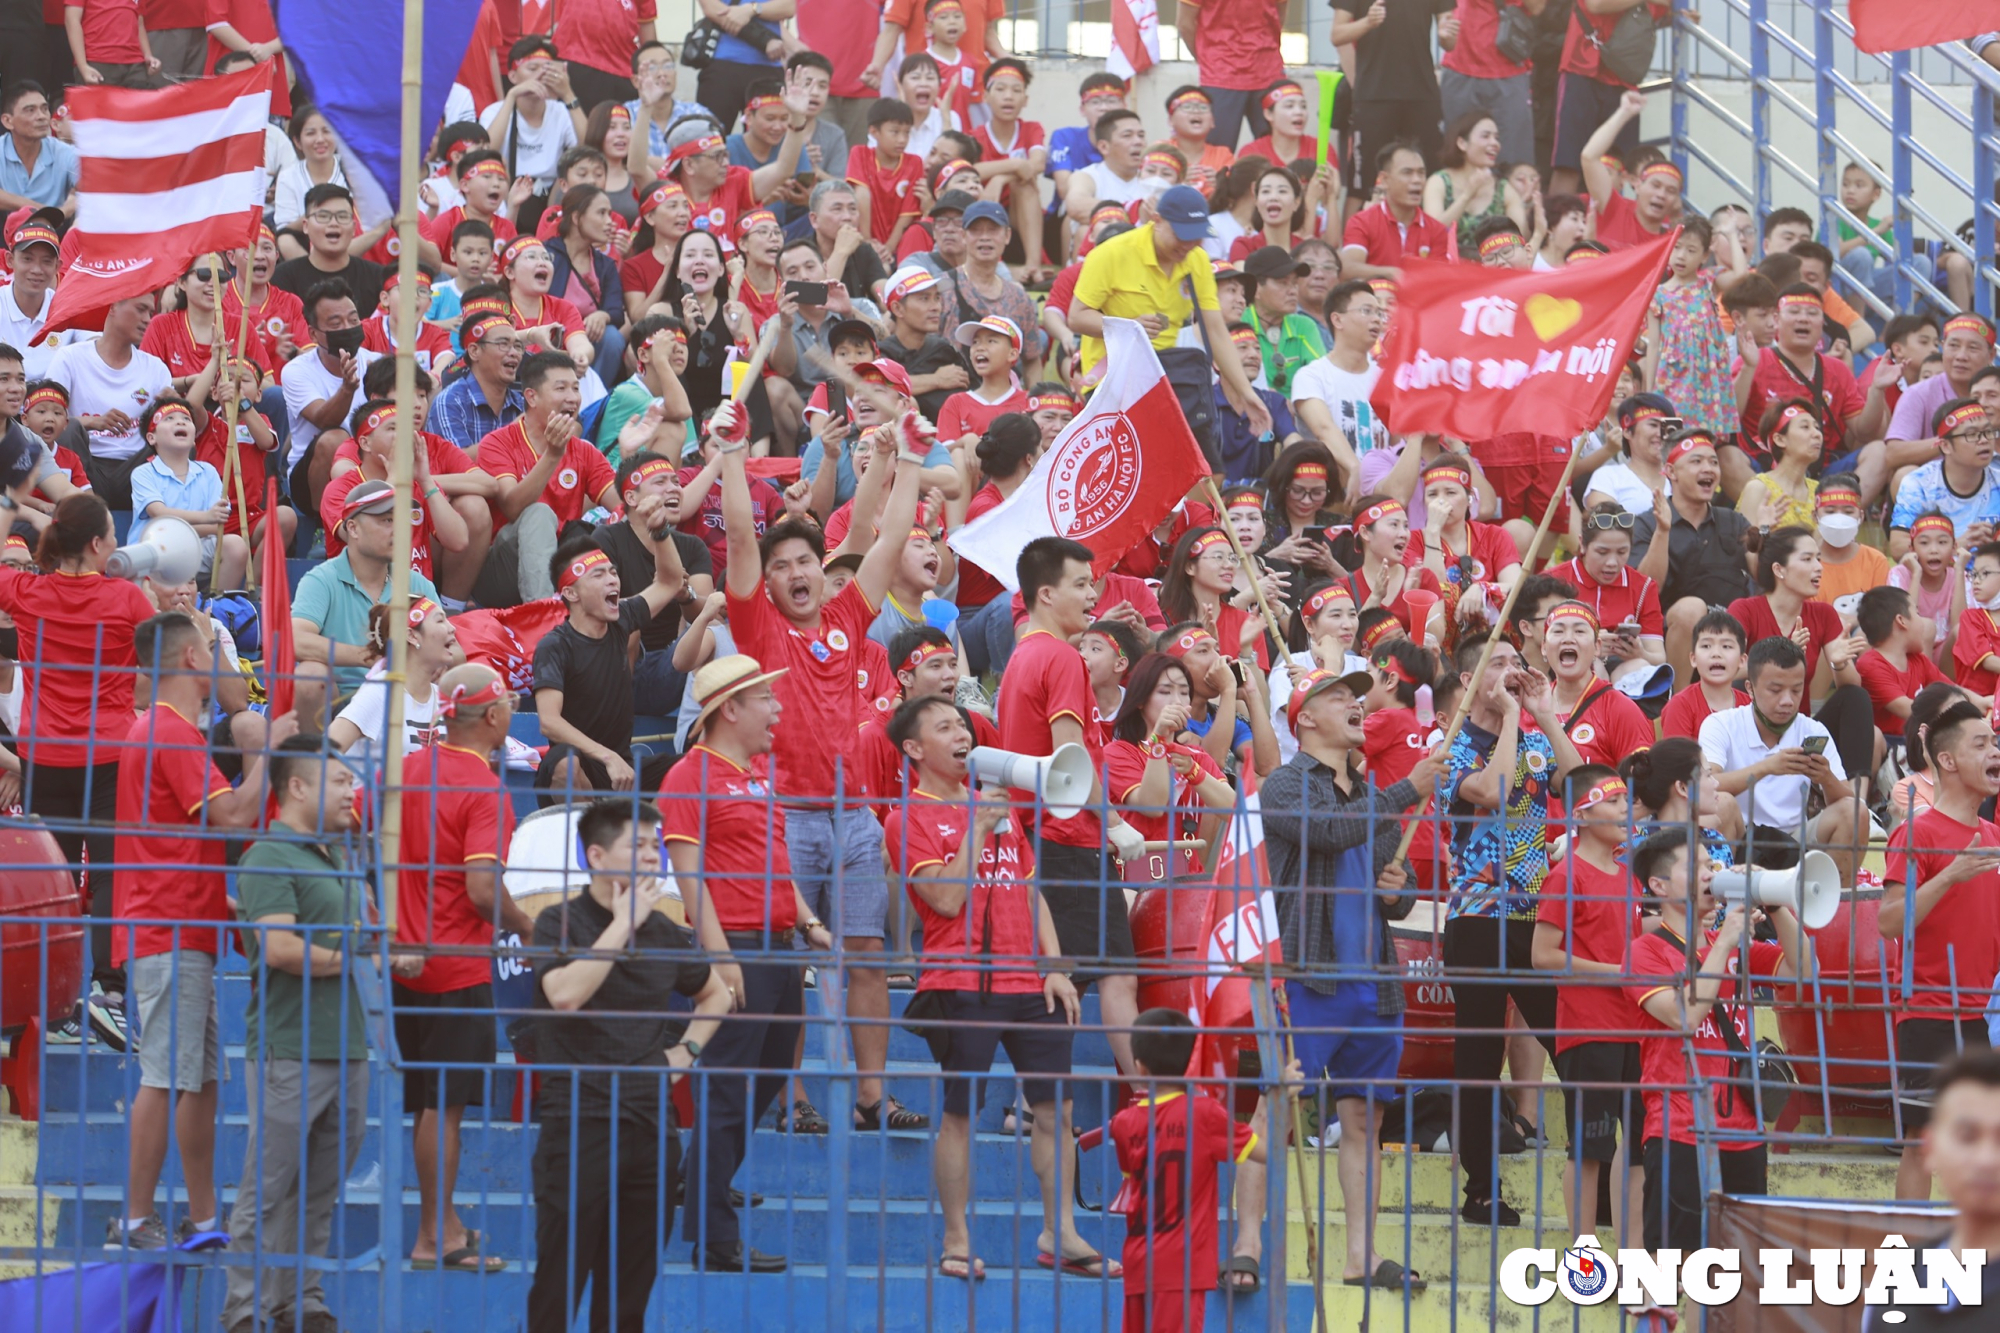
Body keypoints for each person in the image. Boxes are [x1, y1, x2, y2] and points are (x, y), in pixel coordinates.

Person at [715, 394, 930, 1129]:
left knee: (867, 955)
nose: (798, 572)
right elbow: (741, 536)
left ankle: (873, 1095)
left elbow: (887, 534)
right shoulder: (757, 624)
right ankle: (791, 1097)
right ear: (768, 583)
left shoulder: (845, 616)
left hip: (854, 822)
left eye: (808, 559)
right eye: (784, 566)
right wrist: (735, 455)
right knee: (784, 969)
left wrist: (910, 461)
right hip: (784, 820)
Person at [879, 692, 1107, 1279]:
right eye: (945, 727)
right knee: (960, 1113)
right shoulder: (906, 817)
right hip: (962, 981)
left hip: (1028, 981)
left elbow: (1030, 893)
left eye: (963, 723)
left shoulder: (994, 806)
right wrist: (976, 832)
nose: (962, 733)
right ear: (914, 748)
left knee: (1056, 1110)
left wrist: (1055, 967)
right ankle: (957, 1241)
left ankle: (1062, 1232)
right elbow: (946, 899)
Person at [111, 610, 294, 1249]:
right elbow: (235, 817)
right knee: (167, 1075)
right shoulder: (169, 732)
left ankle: (204, 1217)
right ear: (193, 660)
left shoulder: (166, 730)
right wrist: (267, 749)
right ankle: (135, 1219)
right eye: (219, 650)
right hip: (166, 928)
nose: (229, 665)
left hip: (181, 926)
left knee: (199, 1077)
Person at [1263, 665, 1441, 1288]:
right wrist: (1404, 791)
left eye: (1356, 695)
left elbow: (1401, 888)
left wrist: (1398, 891)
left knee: (1366, 1119)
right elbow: (1329, 833)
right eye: (1337, 696)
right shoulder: (1284, 784)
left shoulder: (1371, 790)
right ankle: (1243, 1247)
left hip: (1374, 979)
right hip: (1309, 976)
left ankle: (1361, 1258)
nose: (1355, 703)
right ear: (1304, 718)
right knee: (1276, 1107)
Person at [528, 798, 736, 1333]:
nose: (651, 858)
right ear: (596, 856)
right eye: (636, 847)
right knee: (561, 1276)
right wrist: (620, 926)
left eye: (655, 846)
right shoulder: (561, 920)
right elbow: (565, 994)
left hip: (649, 1120)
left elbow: (717, 996)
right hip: (578, 1120)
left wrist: (684, 1053)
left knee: (631, 1286)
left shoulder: (666, 934)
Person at [664, 653, 827, 1272]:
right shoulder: (689, 775)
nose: (777, 708)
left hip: (780, 945)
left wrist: (809, 921)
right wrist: (720, 959)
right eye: (766, 698)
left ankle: (697, 1180)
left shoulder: (761, 773)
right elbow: (689, 877)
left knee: (762, 1084)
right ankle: (715, 1235)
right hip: (736, 946)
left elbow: (775, 861)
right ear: (729, 708)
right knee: (730, 1090)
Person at [223, 734, 387, 1333]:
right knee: (265, 1189)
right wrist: (359, 955)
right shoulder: (269, 855)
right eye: (340, 781)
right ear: (297, 786)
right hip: (289, 1048)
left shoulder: (338, 857)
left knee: (318, 1191)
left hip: (346, 1046)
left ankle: (300, 1300)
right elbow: (280, 948)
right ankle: (242, 1310)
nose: (353, 790)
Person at [1438, 631, 1582, 1224]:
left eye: (1516, 663)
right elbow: (1492, 791)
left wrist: (1546, 719)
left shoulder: (1533, 739)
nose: (1512, 671)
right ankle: (1480, 1188)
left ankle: (1591, 1171)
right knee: (1478, 1055)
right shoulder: (1451, 745)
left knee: (1568, 1044)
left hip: (1532, 917)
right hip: (1475, 917)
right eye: (1498, 664)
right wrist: (1512, 718)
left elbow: (1583, 789)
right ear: (1472, 680)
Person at [1, 493, 156, 1046]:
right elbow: (163, 654)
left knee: (57, 881)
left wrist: (22, 516)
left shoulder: (25, 590)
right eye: (112, 535)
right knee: (112, 874)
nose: (117, 545)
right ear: (96, 545)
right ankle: (109, 995)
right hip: (110, 756)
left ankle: (58, 1004)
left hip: (43, 754)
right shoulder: (127, 598)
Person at [394, 662, 527, 1273]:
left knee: (428, 1103)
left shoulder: (408, 771)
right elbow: (481, 890)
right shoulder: (483, 788)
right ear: (495, 717)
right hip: (456, 965)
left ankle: (442, 1225)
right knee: (442, 1107)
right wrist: (532, 927)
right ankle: (433, 1237)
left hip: (408, 963)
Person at [999, 536, 1150, 1070]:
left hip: (1040, 836)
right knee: (1112, 974)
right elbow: (1070, 760)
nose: (1094, 595)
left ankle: (1037, 1099)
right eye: (1082, 584)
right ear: (1045, 593)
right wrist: (1111, 825)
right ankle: (1147, 1097)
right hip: (1067, 836)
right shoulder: (1062, 658)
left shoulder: (1024, 654)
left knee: (1067, 971)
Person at [1625, 827, 1803, 1260]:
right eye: (1699, 866)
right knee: (1671, 1267)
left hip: (1744, 1132)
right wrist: (1725, 939)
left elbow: (1803, 973)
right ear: (1659, 886)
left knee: (1740, 1271)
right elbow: (1685, 1016)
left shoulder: (1738, 949)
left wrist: (1776, 905)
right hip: (1680, 1130)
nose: (1712, 873)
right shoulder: (1645, 952)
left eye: (1712, 864)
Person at [1111, 1010, 1285, 1332]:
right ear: (1191, 1061)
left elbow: (1130, 1179)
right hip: (1183, 1265)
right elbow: (1267, 1153)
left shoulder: (1123, 1124)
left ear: (1139, 1066)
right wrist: (1283, 1099)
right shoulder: (1205, 1115)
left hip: (1138, 1260)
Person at [1531, 766, 1646, 1245]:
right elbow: (1542, 956)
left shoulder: (1630, 878)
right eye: (1615, 801)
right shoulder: (1566, 875)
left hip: (1639, 1032)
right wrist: (1615, 972)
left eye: (1626, 801)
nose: (1626, 809)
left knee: (1639, 1148)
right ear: (1582, 811)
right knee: (1590, 1147)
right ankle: (1585, 1254)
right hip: (1589, 1029)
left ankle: (1633, 1253)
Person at [1068, 185, 1272, 439]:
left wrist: (1246, 393)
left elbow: (1216, 330)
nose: (1188, 244)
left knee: (1205, 468)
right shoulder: (1111, 254)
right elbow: (1076, 317)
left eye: (1196, 236)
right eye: (1181, 234)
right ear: (1157, 221)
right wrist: (1129, 326)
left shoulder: (1196, 259)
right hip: (1113, 379)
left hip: (1167, 379)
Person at [532, 497, 689, 799]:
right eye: (598, 575)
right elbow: (549, 721)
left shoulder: (622, 619)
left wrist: (659, 531)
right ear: (570, 593)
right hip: (583, 769)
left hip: (623, 772)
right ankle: (587, 834)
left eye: (613, 572)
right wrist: (606, 756)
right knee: (563, 762)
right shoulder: (554, 645)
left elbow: (670, 582)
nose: (612, 580)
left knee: (699, 767)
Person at [1699, 635, 1865, 882]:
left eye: (1796, 690)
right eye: (1775, 690)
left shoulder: (1813, 730)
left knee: (1855, 811)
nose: (1787, 700)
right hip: (1741, 834)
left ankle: (1831, 904)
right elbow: (1705, 786)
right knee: (1720, 803)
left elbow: (1845, 801)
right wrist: (1767, 768)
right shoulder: (1720, 724)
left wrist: (1825, 778)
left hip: (1794, 839)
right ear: (1750, 688)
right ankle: (1721, 901)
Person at [290, 481, 443, 728]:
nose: (400, 529)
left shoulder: (417, 583)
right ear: (353, 528)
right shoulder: (322, 579)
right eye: (386, 521)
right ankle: (312, 763)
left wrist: (442, 659)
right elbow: (295, 640)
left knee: (454, 674)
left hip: (406, 698)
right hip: (343, 702)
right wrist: (372, 657)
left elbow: (455, 647)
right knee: (310, 676)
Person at [474, 351, 618, 607]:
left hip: (558, 561)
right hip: (502, 567)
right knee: (539, 513)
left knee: (600, 532)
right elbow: (511, 507)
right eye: (561, 388)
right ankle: (542, 614)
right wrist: (553, 456)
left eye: (575, 388)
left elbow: (622, 505)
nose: (572, 397)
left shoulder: (584, 450)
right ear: (532, 396)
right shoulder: (498, 443)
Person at [1632, 430, 1758, 683]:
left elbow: (1765, 575)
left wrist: (1764, 538)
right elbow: (1643, 590)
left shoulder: (1734, 521)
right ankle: (1677, 706)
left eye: (1713, 462)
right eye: (1696, 461)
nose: (1708, 468)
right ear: (1671, 471)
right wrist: (1663, 532)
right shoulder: (1647, 522)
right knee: (1691, 609)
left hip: (1733, 634)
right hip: (1675, 636)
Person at [44, 292, 173, 505]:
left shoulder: (156, 368)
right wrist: (93, 422)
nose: (148, 319)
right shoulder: (70, 357)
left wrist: (174, 408)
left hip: (136, 471)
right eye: (140, 309)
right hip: (84, 464)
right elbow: (45, 419)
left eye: (151, 312)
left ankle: (169, 522)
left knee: (177, 436)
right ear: (113, 307)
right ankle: (80, 511)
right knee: (69, 429)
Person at [1289, 279, 1386, 501]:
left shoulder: (1383, 377)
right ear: (1337, 319)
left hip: (1381, 493)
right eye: (1366, 311)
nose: (1376, 319)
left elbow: (1396, 443)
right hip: (1330, 495)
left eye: (1379, 313)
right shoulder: (1311, 375)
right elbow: (1323, 428)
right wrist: (1355, 468)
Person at [1340, 142, 1454, 283]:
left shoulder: (1437, 230)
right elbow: (1347, 268)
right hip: (1374, 302)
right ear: (1384, 180)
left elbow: (1439, 279)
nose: (1417, 180)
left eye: (1421, 173)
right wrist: (1389, 273)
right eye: (1407, 173)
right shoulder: (1362, 222)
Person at [0, 82, 78, 212]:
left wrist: (60, 213)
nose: (41, 116)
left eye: (44, 109)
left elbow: (90, 191)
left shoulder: (64, 152)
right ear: (8, 121)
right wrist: (39, 209)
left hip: (53, 229)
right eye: (30, 110)